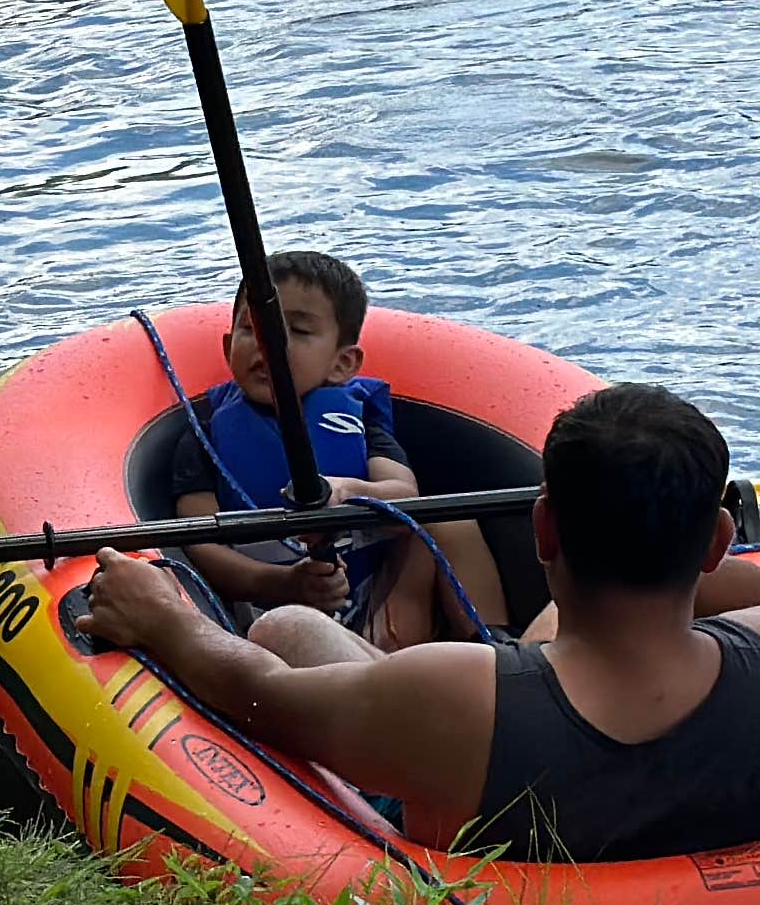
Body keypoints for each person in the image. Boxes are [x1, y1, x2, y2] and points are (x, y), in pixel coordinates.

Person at [81, 381, 760, 862]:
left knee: (287, 628)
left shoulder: (456, 692)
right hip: (731, 889)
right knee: (540, 649)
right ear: (719, 541)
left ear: (544, 531)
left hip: (481, 802)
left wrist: (163, 619)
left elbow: (259, 695)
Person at [161, 251, 505, 648]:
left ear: (342, 364)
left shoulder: (356, 420)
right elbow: (199, 540)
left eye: (298, 332)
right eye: (252, 329)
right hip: (273, 609)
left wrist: (345, 492)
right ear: (228, 347)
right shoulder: (203, 437)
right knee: (292, 628)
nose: (269, 345)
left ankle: (498, 650)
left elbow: (403, 495)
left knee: (450, 522)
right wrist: (280, 583)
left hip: (374, 597)